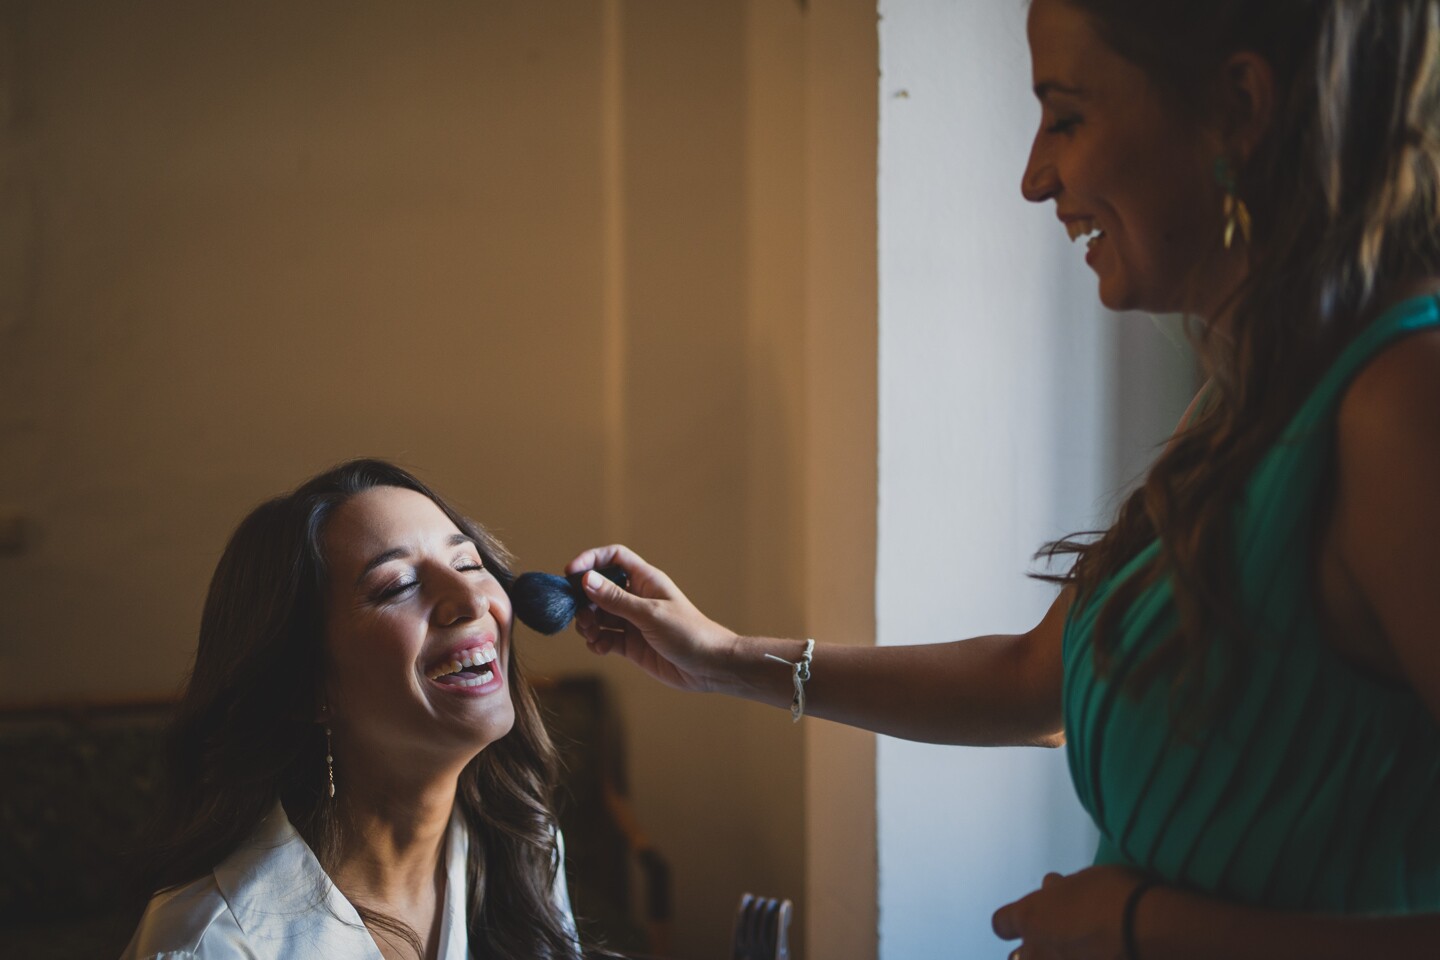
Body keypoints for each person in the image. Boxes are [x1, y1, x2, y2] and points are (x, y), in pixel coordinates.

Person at [564, 1, 1440, 957]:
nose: (1034, 177)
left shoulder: (1401, 408)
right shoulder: (1250, 393)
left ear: (1237, 108)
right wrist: (722, 659)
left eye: (1065, 116)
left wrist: (1140, 928)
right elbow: (1035, 682)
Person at [123, 459, 583, 960]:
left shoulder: (525, 844)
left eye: (469, 564)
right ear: (306, 688)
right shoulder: (212, 943)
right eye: (398, 585)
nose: (470, 598)